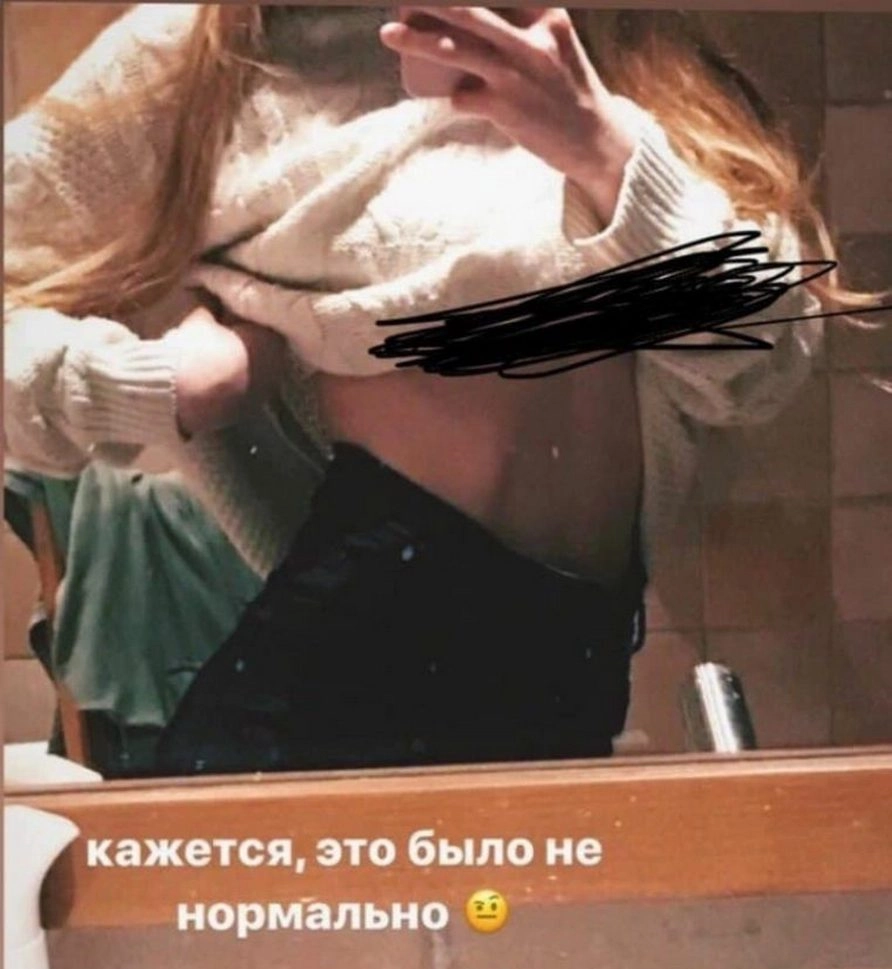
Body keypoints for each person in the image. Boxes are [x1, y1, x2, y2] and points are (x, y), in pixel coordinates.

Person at [5, 5, 838, 774]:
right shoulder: (210, 49)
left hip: (566, 701)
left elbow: (771, 358)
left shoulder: (628, 44)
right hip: (331, 704)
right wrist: (163, 384)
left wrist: (602, 148)